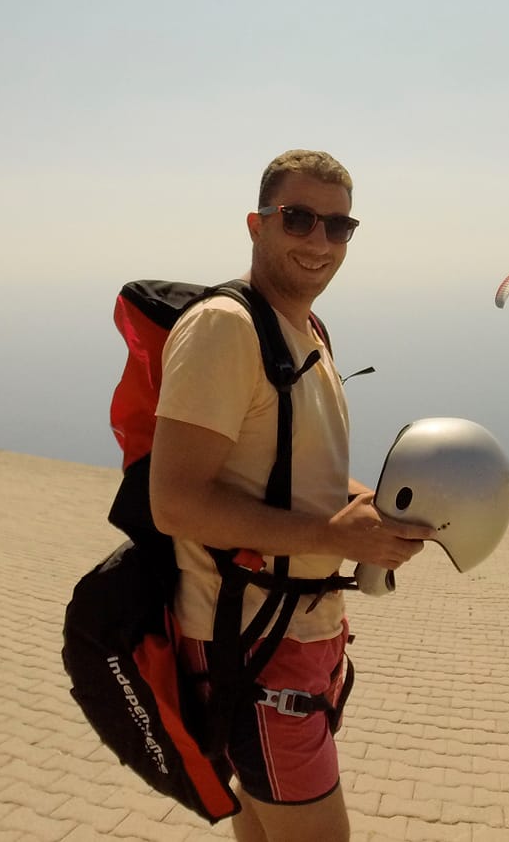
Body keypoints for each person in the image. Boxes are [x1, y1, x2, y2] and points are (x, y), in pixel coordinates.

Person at [148, 149, 435, 842]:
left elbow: (299, 468)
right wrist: (335, 538)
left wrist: (377, 512)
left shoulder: (305, 331)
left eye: (339, 226)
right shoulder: (226, 328)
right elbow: (176, 503)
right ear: (258, 224)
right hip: (252, 649)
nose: (319, 240)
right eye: (299, 218)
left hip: (294, 637)